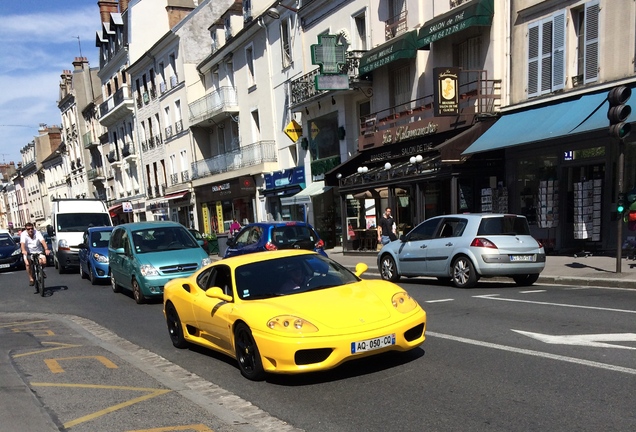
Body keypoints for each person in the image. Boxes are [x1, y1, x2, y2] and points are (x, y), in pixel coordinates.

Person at [20, 222, 50, 287]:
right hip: (28, 252)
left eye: (31, 228)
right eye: (28, 229)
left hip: (38, 251)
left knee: (44, 262)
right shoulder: (23, 234)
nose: (30, 230)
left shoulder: (37, 233)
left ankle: (41, 271)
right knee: (28, 264)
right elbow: (22, 244)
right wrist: (23, 250)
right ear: (26, 229)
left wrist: (46, 249)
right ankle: (31, 278)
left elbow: (43, 241)